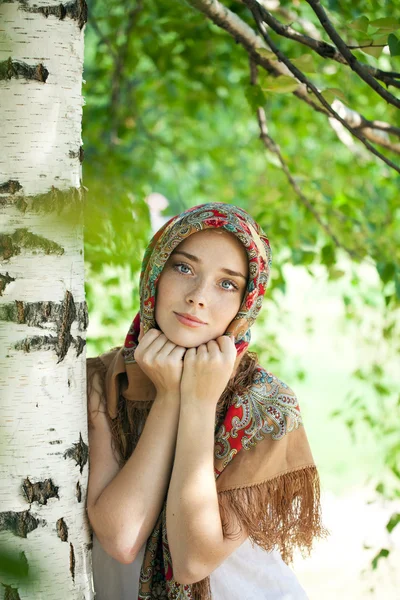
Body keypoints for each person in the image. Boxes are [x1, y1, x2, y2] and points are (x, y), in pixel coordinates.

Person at [86, 202, 326, 600]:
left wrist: (197, 403)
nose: (199, 296)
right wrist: (168, 396)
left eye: (227, 283)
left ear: (245, 303)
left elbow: (192, 561)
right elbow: (121, 537)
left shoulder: (264, 407)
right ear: (155, 274)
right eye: (183, 268)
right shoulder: (106, 379)